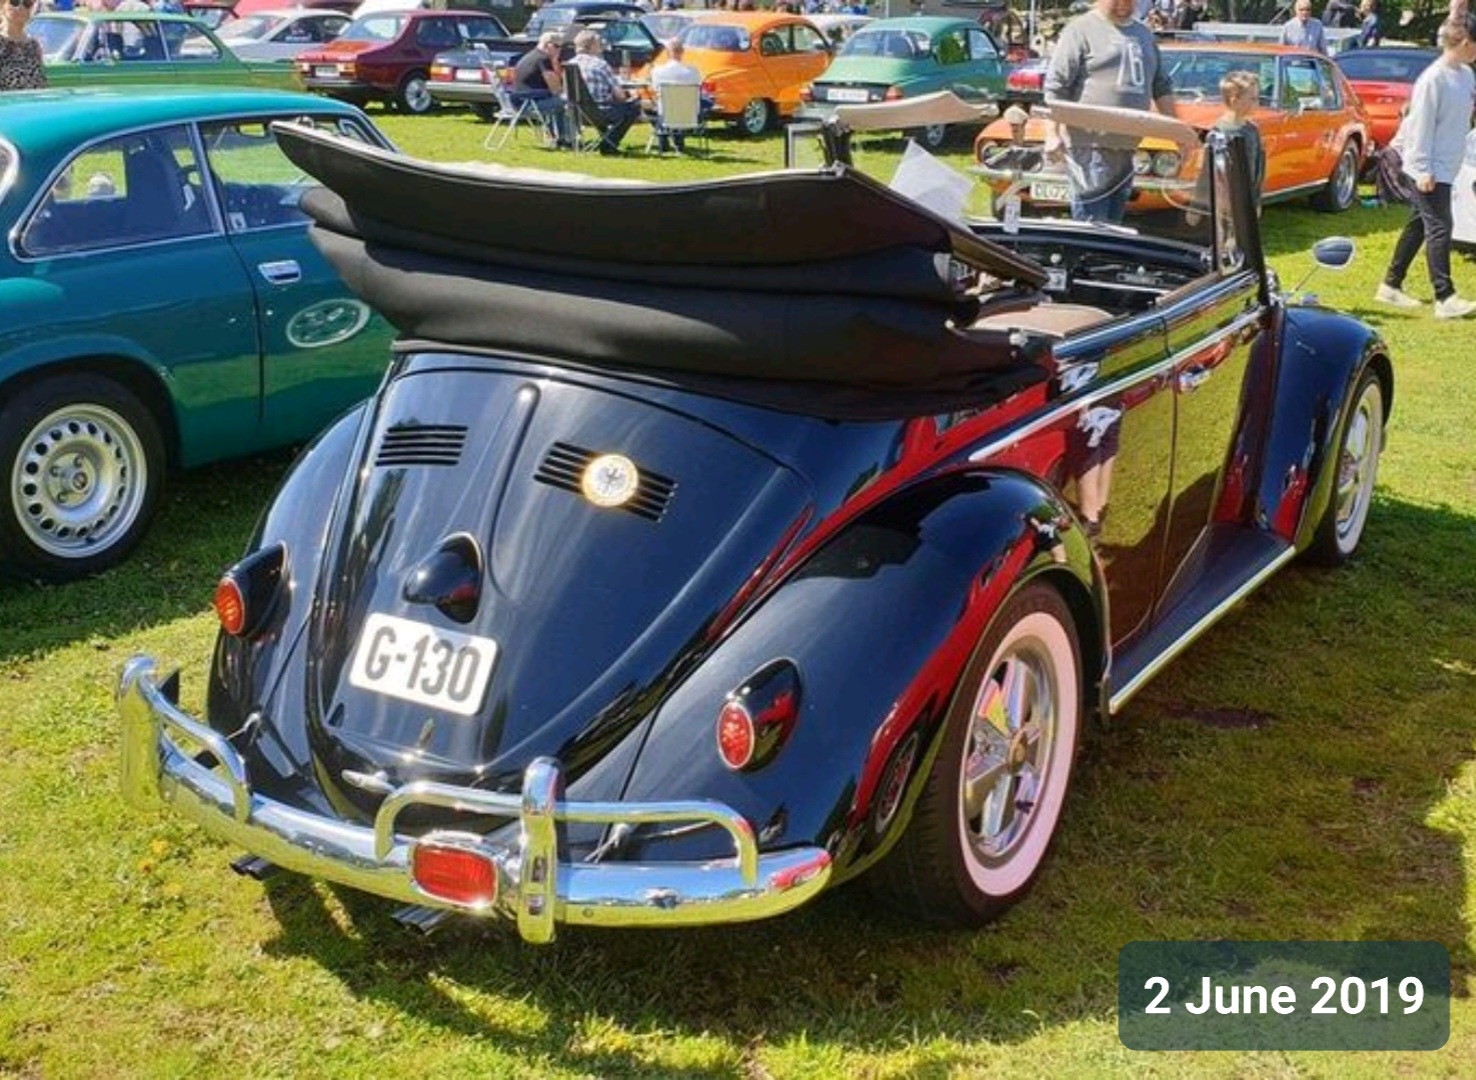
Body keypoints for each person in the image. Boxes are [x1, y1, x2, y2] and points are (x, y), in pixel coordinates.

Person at [1375, 14, 1476, 319]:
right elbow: (1420, 127)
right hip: (1427, 167)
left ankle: (1390, 285)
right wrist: (1422, 170)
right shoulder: (1433, 79)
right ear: (1465, 43)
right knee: (1440, 227)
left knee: (1420, 224)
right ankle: (1445, 297)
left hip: (1448, 164)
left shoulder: (1466, 75)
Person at [1042, 0, 1178, 224]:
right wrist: (1051, 134)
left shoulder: (1144, 35)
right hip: (1089, 145)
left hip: (1128, 148)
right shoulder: (1080, 30)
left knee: (1113, 226)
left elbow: (1161, 86)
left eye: (1129, 1)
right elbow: (1057, 86)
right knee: (1092, 223)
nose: (1123, 5)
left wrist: (1176, 131)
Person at [567, 29, 642, 155]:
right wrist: (630, 96)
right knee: (633, 108)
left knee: (608, 106)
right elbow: (620, 96)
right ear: (592, 46)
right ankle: (608, 144)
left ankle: (606, 139)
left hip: (576, 112)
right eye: (599, 44)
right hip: (601, 111)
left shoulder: (569, 64)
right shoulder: (600, 65)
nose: (601, 47)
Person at [512, 31, 574, 148]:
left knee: (558, 104)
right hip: (530, 104)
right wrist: (555, 62)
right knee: (571, 102)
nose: (560, 50)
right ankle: (570, 139)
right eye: (557, 46)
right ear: (548, 45)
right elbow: (555, 88)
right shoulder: (543, 58)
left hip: (519, 103)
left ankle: (561, 138)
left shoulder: (531, 56)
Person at [648, 37, 706, 153]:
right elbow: (699, 86)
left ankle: (663, 141)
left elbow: (654, 89)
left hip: (666, 114)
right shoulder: (693, 71)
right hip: (690, 115)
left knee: (649, 108)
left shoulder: (658, 71)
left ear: (667, 53)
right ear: (683, 52)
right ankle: (678, 142)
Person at [1, 0, 46, 91]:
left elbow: (39, 81)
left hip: (33, 98)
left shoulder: (34, 45)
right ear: (3, 6)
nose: (20, 7)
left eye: (27, 4)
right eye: (14, 2)